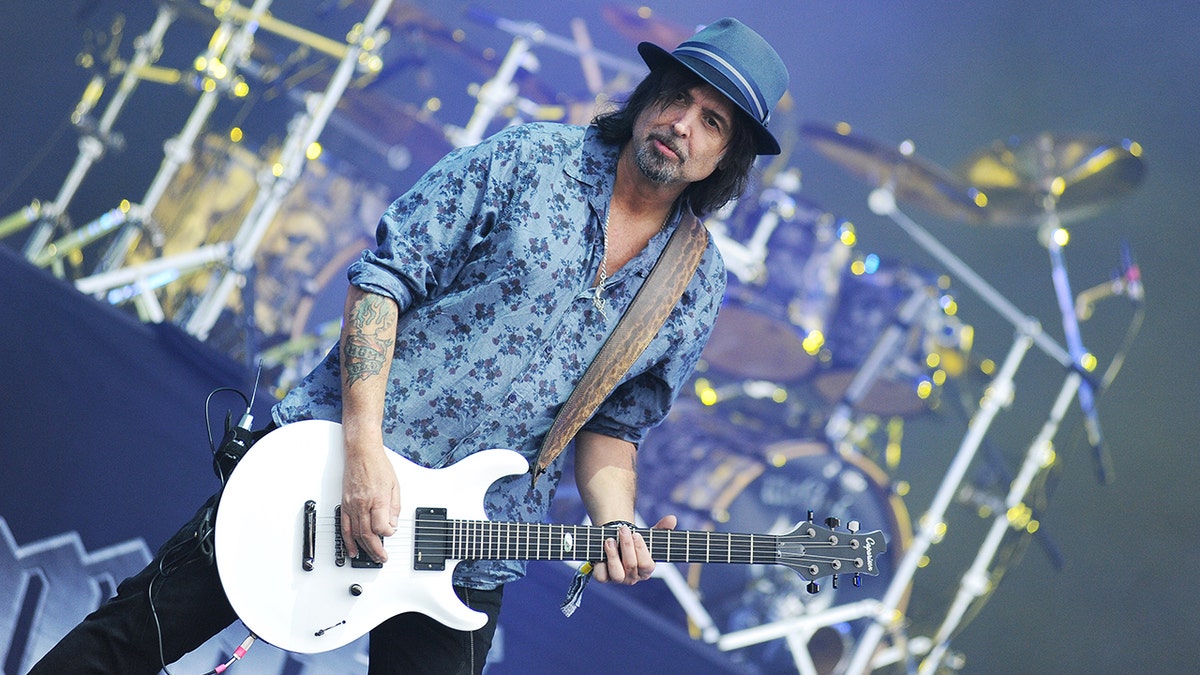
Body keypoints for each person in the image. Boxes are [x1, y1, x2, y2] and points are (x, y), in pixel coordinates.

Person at [31, 16, 789, 675]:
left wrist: (615, 521)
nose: (683, 124)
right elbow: (381, 284)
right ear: (646, 98)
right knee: (126, 644)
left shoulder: (695, 283)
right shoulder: (531, 161)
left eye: (713, 121)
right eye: (676, 97)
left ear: (727, 158)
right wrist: (363, 453)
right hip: (329, 466)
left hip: (468, 540)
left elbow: (613, 430)